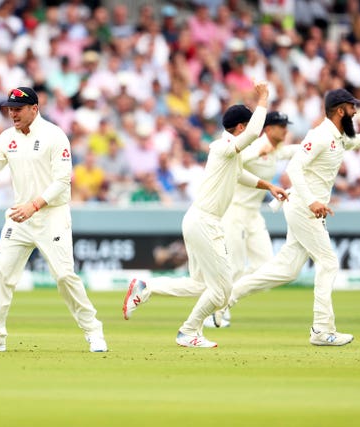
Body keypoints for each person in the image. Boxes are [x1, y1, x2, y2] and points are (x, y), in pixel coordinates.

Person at [211, 89, 360, 346]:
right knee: (328, 262)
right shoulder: (320, 135)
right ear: (340, 110)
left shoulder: (337, 136)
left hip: (305, 206)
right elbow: (294, 167)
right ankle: (322, 330)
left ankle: (225, 298)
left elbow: (354, 142)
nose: (356, 111)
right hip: (304, 206)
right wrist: (313, 201)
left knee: (286, 270)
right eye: (352, 107)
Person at [123, 81, 288, 348]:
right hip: (205, 222)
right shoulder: (224, 146)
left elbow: (241, 175)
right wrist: (264, 98)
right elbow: (257, 130)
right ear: (242, 128)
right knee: (222, 290)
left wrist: (268, 185)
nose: (255, 136)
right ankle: (189, 331)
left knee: (200, 285)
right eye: (250, 130)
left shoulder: (229, 154)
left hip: (200, 220)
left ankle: (147, 287)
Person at [0, 87, 108, 353]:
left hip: (50, 216)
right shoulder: (7, 138)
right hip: (20, 216)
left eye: (18, 109)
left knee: (65, 276)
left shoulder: (55, 136)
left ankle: (94, 332)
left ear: (34, 108)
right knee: (1, 275)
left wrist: (35, 205)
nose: (12, 114)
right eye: (10, 109)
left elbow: (63, 181)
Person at [205, 111, 298, 328]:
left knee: (266, 266)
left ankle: (225, 300)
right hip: (235, 211)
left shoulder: (278, 150)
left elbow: (300, 149)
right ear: (268, 128)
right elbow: (232, 161)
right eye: (281, 125)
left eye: (286, 125)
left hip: (254, 215)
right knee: (235, 267)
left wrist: (336, 141)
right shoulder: (255, 145)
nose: (285, 130)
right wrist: (257, 154)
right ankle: (214, 310)